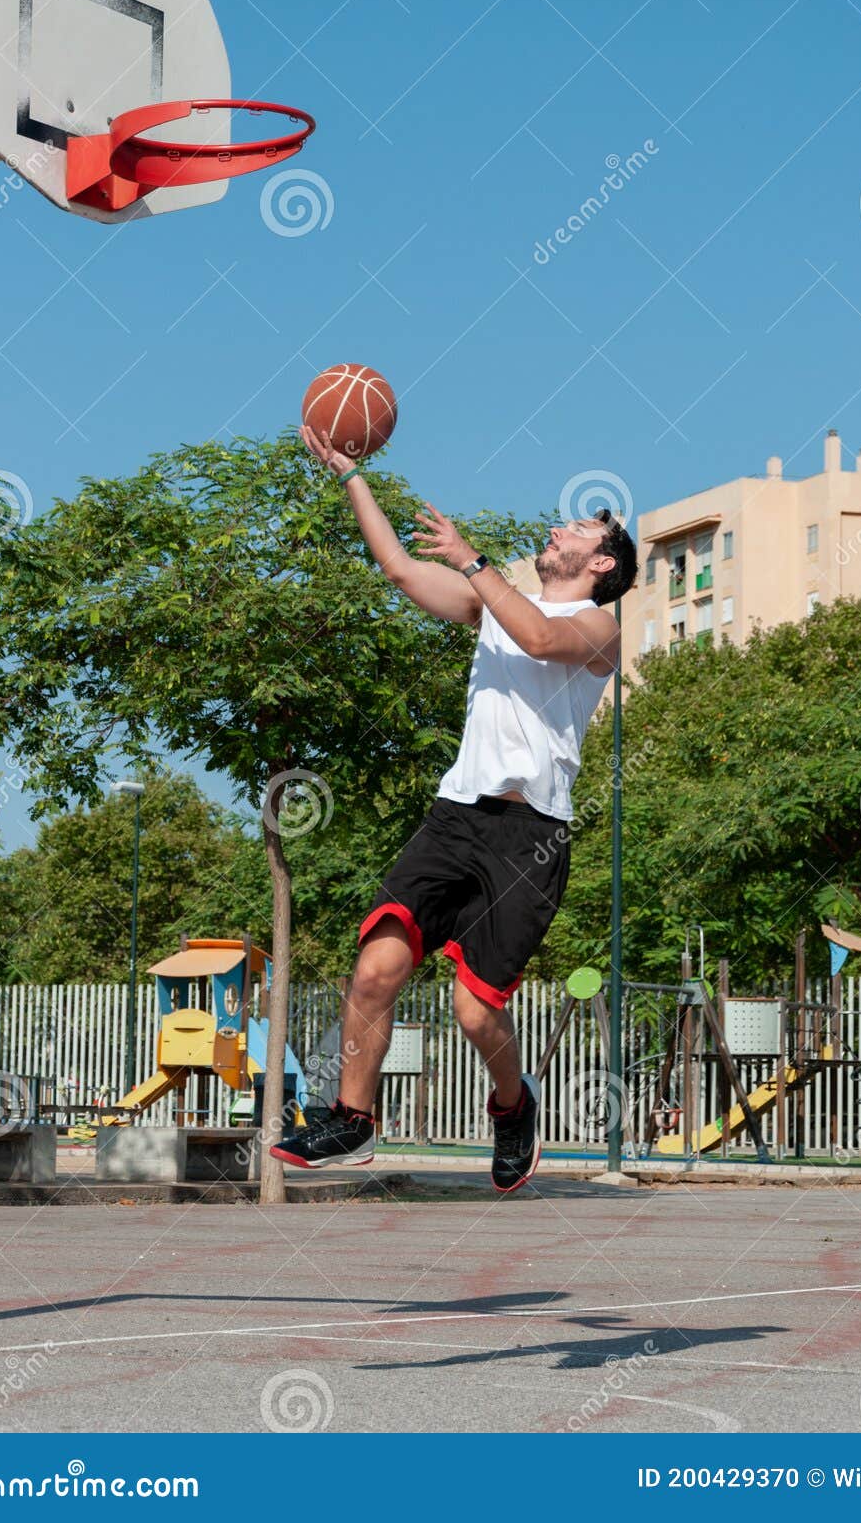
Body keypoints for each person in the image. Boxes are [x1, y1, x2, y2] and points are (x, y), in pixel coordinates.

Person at [272, 428, 637, 1190]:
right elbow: (403, 571)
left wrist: (474, 560)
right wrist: (350, 477)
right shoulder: (493, 604)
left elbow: (539, 637)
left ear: (601, 562)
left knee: (476, 1015)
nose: (558, 528)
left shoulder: (600, 628)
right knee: (374, 971)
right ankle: (352, 1119)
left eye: (578, 528)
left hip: (529, 837)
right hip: (453, 817)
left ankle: (511, 1108)